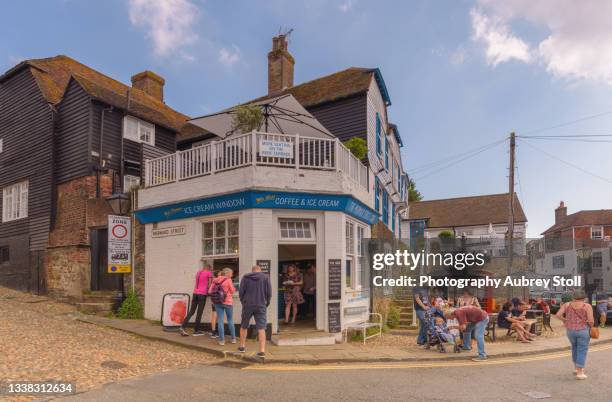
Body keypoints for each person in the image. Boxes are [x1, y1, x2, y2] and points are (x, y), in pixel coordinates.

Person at [556, 289, 595, 380]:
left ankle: (576, 368)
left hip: (570, 331)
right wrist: (591, 326)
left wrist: (565, 320)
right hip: (583, 330)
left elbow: (557, 315)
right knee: (582, 350)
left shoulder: (567, 304)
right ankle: (580, 372)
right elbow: (591, 321)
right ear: (584, 297)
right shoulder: (587, 306)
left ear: (573, 297)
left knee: (575, 347)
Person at [238, 265, 272, 357]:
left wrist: (243, 302)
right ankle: (262, 351)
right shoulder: (265, 277)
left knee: (244, 325)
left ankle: (242, 346)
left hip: (247, 304)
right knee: (261, 328)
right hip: (261, 305)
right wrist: (266, 303)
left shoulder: (246, 277)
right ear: (260, 270)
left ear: (252, 271)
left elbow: (241, 292)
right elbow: (269, 292)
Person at [180, 263, 213, 336]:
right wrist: (210, 291)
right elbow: (210, 285)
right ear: (209, 268)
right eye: (210, 269)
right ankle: (196, 330)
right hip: (202, 294)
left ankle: (182, 326)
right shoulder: (209, 273)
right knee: (199, 313)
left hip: (195, 293)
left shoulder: (198, 273)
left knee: (191, 311)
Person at [209, 268, 237, 346]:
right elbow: (232, 291)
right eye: (231, 273)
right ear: (227, 273)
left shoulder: (215, 280)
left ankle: (221, 340)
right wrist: (234, 288)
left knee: (220, 320)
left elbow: (210, 291)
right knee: (230, 320)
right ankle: (233, 339)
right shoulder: (228, 280)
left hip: (217, 302)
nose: (232, 275)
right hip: (228, 302)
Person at [209, 270, 222, 338]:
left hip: (213, 299)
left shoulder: (213, 281)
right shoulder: (222, 280)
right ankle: (214, 332)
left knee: (214, 315)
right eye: (220, 273)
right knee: (217, 316)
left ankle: (213, 331)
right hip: (219, 300)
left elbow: (209, 291)